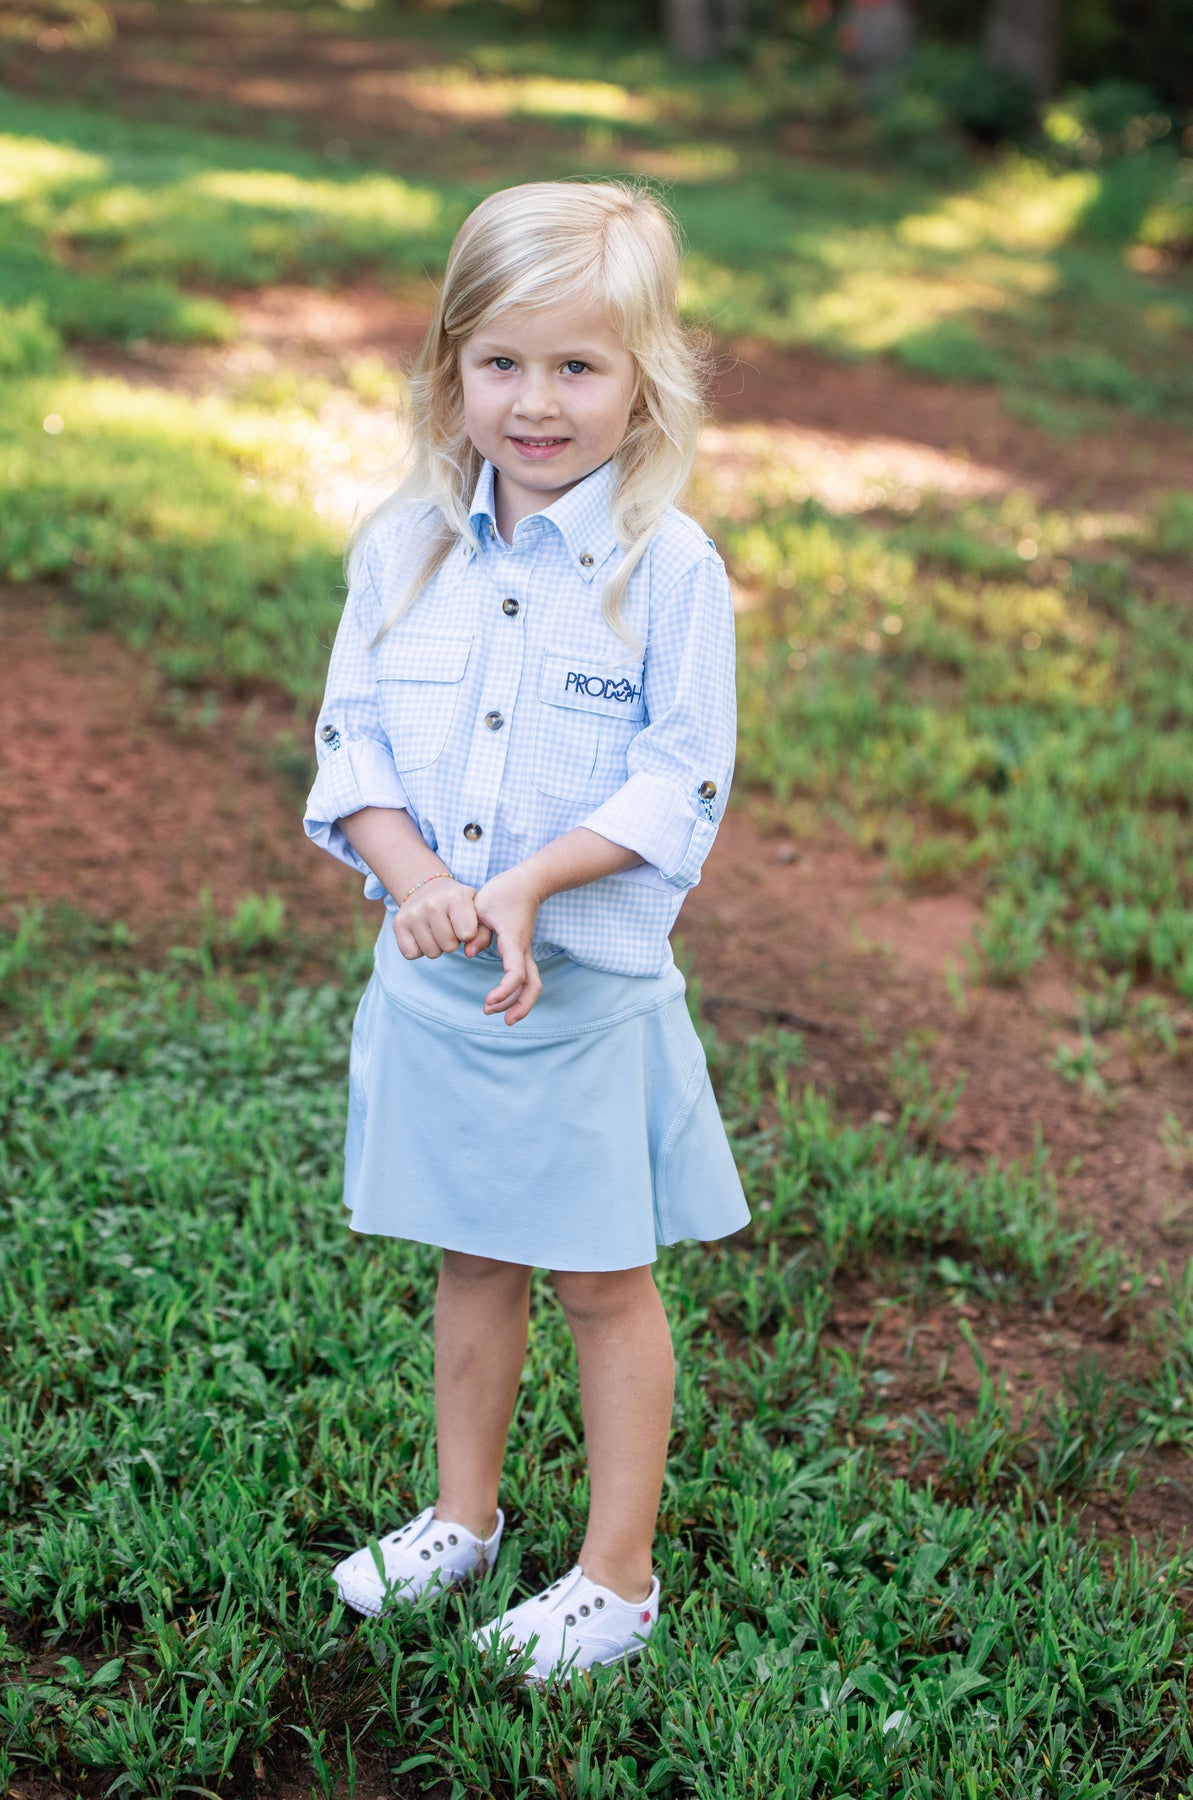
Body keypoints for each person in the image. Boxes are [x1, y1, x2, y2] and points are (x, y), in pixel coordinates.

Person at [304, 178, 749, 1683]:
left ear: (645, 381)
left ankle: (616, 1578)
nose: (536, 402)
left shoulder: (667, 569)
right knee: (473, 1256)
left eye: (577, 366)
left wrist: (530, 883)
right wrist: (418, 875)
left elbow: (680, 774)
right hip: (442, 985)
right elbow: (352, 739)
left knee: (602, 1283)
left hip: (582, 998)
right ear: (451, 369)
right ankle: (463, 1516)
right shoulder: (402, 549)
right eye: (501, 362)